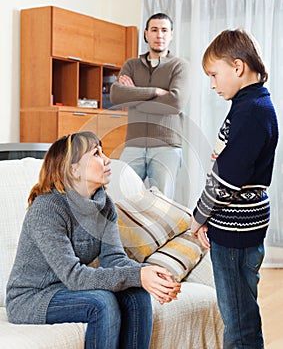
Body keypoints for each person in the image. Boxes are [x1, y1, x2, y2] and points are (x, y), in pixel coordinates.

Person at [6, 131, 181, 349]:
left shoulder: (104, 206)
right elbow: (74, 277)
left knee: (137, 294)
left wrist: (152, 275)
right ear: (74, 170)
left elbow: (114, 258)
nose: (107, 159)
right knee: (101, 303)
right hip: (32, 298)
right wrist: (137, 274)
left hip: (68, 289)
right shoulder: (48, 209)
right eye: (96, 154)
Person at [190, 29, 278, 349]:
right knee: (243, 311)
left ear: (238, 67)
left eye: (214, 75)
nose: (212, 84)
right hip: (238, 223)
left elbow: (226, 177)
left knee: (238, 322)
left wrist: (199, 216)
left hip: (236, 227)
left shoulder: (252, 111)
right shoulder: (250, 104)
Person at [110, 13, 190, 199]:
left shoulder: (180, 66)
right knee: (119, 196)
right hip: (134, 144)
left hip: (166, 146)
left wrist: (134, 96)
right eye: (154, 30)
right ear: (146, 34)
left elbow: (174, 104)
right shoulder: (131, 65)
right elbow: (116, 95)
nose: (159, 35)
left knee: (161, 204)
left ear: (171, 34)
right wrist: (154, 92)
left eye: (164, 30)